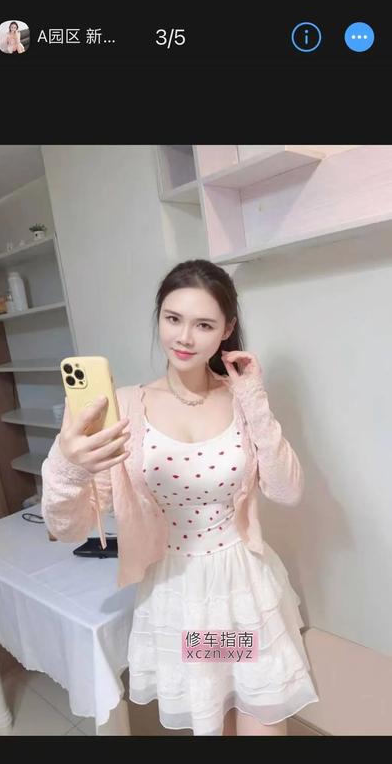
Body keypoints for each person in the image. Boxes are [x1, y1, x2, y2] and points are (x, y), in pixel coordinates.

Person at [41, 259, 319, 736]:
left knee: (264, 721)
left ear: (227, 329)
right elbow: (66, 528)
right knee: (215, 719)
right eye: (173, 319)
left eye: (204, 324)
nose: (184, 338)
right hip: (182, 598)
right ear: (160, 316)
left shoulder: (241, 397)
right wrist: (69, 466)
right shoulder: (123, 406)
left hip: (245, 590)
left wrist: (253, 399)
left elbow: (287, 490)